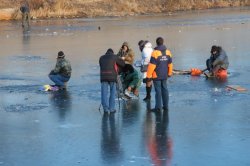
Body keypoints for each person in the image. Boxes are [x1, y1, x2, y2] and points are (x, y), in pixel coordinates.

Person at [146, 37, 173, 112]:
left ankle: (158, 107)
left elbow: (152, 66)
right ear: (163, 42)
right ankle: (166, 106)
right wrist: (170, 73)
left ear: (157, 43)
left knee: (158, 91)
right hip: (165, 75)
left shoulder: (155, 53)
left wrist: (148, 76)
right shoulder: (168, 52)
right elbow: (170, 64)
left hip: (156, 75)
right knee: (165, 89)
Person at [99, 48, 125, 114]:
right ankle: (112, 109)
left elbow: (101, 65)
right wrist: (121, 58)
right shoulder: (115, 57)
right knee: (112, 93)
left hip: (103, 77)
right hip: (112, 77)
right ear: (112, 53)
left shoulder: (101, 58)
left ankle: (105, 109)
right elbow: (123, 64)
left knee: (104, 93)